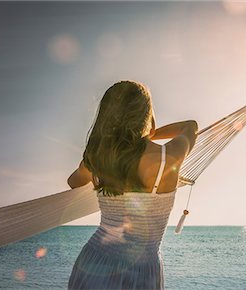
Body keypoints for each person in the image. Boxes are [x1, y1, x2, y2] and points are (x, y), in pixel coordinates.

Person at [66, 80, 198, 290]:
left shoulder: (97, 158)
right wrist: (150, 132)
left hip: (93, 261)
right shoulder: (168, 158)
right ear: (147, 115)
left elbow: (74, 182)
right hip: (141, 270)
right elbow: (190, 126)